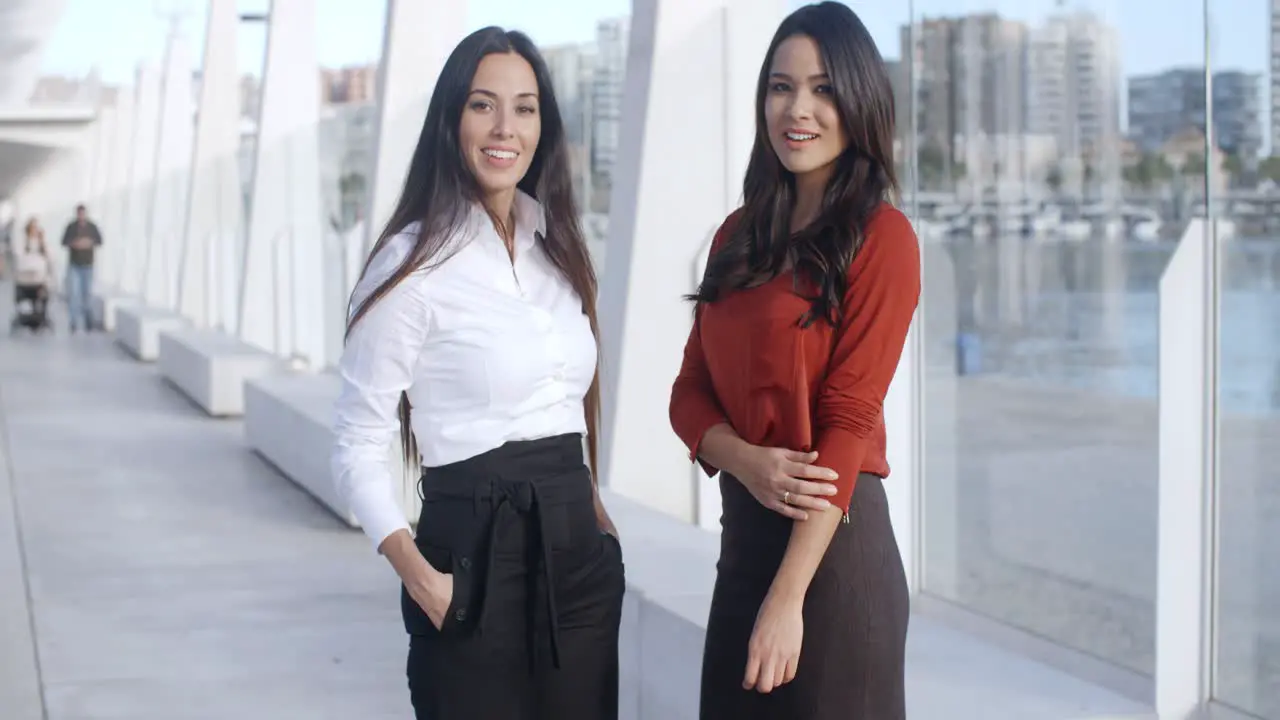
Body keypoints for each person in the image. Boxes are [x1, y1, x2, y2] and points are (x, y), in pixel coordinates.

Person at [331, 26, 624, 720]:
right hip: (469, 562)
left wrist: (598, 523)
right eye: (483, 105)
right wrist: (417, 574)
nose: (505, 128)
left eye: (524, 108)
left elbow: (564, 404)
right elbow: (354, 443)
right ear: (451, 119)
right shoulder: (411, 265)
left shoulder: (556, 250)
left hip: (577, 560)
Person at [668, 4, 919, 718]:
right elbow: (688, 394)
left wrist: (788, 599)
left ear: (858, 101)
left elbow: (849, 419)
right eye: (781, 87)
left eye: (822, 89)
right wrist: (746, 461)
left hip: (832, 561)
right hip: (744, 545)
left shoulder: (884, 237)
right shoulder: (736, 237)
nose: (797, 109)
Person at [60, 204, 102, 332]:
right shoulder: (71, 227)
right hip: (74, 264)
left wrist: (88, 242)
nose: (81, 216)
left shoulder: (92, 227)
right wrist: (75, 243)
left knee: (87, 293)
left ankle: (88, 320)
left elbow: (99, 241)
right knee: (74, 293)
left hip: (88, 264)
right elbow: (64, 241)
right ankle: (73, 322)